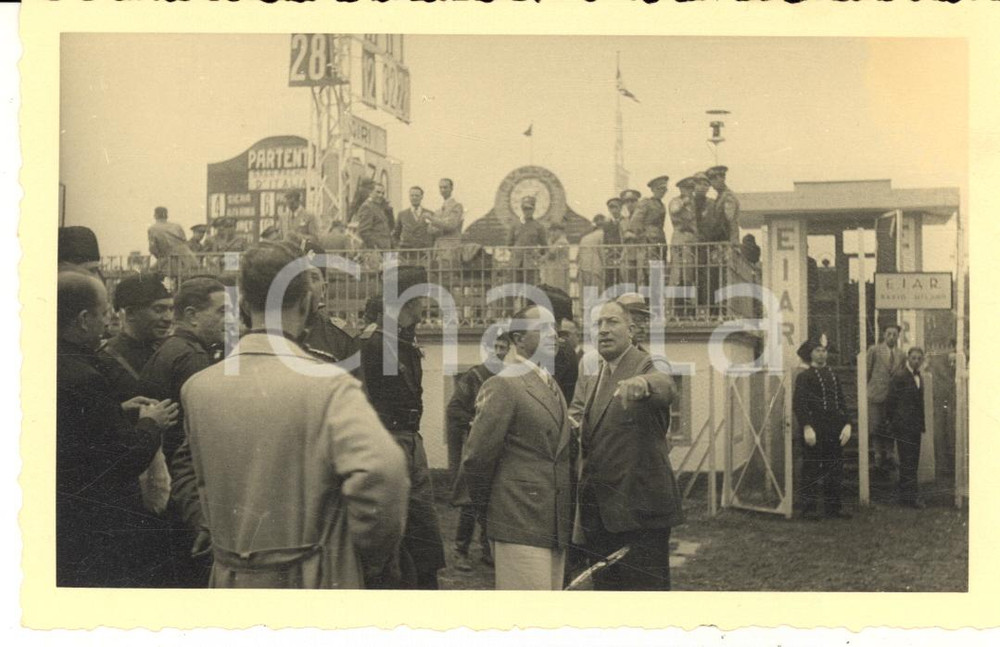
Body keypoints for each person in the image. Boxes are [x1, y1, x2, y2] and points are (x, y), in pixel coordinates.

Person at [181, 243, 409, 588]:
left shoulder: (197, 388)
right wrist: (368, 554)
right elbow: (384, 473)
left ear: (244, 306)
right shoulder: (330, 385)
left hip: (230, 578)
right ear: (306, 302)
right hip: (314, 578)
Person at [57, 270, 179, 586]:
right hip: (101, 516)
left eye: (170, 309)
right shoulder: (94, 368)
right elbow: (120, 457)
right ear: (84, 320)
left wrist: (118, 411)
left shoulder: (61, 359)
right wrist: (152, 423)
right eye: (103, 313)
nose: (108, 320)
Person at [459, 304, 573, 590]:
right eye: (544, 328)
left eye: (555, 328)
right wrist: (494, 513)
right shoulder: (504, 384)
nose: (554, 335)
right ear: (519, 339)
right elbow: (477, 459)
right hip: (518, 521)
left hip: (552, 523)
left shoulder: (549, 383)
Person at [576, 300, 681, 590]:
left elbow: (666, 385)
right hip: (602, 516)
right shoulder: (598, 375)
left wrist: (644, 385)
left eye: (612, 322)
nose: (603, 330)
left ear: (631, 330)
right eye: (598, 324)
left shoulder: (645, 363)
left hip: (639, 516)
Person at [358, 266, 447, 588]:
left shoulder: (403, 340)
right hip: (389, 445)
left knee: (423, 534)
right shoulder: (373, 344)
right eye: (421, 297)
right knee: (392, 537)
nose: (425, 305)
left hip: (410, 443)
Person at [138, 276, 227, 587]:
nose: (228, 320)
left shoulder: (170, 349)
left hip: (167, 484)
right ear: (192, 315)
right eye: (221, 312)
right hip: (187, 492)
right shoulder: (193, 358)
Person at [446, 332, 510, 572]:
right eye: (496, 347)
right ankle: (460, 550)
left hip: (501, 447)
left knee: (494, 499)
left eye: (504, 347)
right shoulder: (474, 376)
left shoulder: (510, 377)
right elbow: (454, 409)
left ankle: (487, 550)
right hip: (476, 445)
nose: (500, 352)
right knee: (470, 499)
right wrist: (473, 422)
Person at [793, 337, 852, 520]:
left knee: (834, 468)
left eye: (824, 351)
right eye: (817, 350)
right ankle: (808, 509)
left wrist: (847, 424)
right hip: (814, 429)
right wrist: (807, 427)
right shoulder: (804, 377)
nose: (821, 354)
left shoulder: (833, 376)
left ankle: (833, 508)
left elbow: (841, 402)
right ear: (810, 354)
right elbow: (800, 405)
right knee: (811, 468)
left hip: (833, 429)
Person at [100, 272, 174, 403]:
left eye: (171, 309)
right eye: (158, 309)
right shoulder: (105, 358)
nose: (169, 318)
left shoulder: (172, 350)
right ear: (130, 313)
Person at [886, 346, 928, 508]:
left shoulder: (919, 377)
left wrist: (921, 424)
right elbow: (890, 402)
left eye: (919, 358)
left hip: (915, 426)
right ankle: (910, 498)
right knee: (907, 461)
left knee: (912, 461)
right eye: (913, 358)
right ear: (908, 359)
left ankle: (907, 496)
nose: (916, 361)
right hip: (903, 426)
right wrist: (894, 422)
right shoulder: (900, 376)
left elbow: (919, 404)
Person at [867, 323, 906, 478]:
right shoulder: (874, 350)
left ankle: (890, 455)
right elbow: (867, 371)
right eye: (889, 334)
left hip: (893, 397)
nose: (891, 337)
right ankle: (878, 457)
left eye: (894, 334)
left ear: (898, 336)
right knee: (876, 426)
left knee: (890, 426)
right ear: (884, 335)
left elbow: (901, 374)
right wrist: (870, 388)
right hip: (876, 394)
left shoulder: (901, 354)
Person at [668, 177, 699, 316]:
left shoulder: (694, 203)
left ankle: (689, 306)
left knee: (690, 275)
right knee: (677, 275)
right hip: (680, 241)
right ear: (681, 189)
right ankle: (674, 308)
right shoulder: (676, 201)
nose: (690, 191)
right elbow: (674, 210)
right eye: (687, 188)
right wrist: (684, 202)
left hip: (692, 242)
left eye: (691, 188)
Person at [509, 195, 547, 285]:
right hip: (516, 264)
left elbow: (544, 246)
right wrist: (517, 252)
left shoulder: (538, 226)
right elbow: (509, 244)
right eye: (525, 209)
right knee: (515, 288)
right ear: (522, 209)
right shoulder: (515, 225)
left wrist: (536, 255)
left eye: (530, 209)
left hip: (531, 264)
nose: (527, 211)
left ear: (534, 209)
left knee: (531, 288)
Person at [148, 206, 196, 276]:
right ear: (167, 215)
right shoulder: (177, 226)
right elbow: (184, 241)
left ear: (155, 215)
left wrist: (160, 257)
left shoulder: (153, 228)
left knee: (151, 273)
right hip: (189, 259)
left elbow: (153, 248)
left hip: (170, 260)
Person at [394, 185, 435, 251]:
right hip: (407, 251)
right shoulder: (402, 214)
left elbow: (434, 234)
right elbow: (396, 234)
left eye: (417, 195)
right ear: (409, 197)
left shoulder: (430, 214)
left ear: (421, 197)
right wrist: (398, 247)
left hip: (424, 251)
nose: (414, 198)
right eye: (412, 195)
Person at [355, 182, 394, 250]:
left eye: (383, 193)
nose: (380, 195)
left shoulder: (379, 207)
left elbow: (391, 227)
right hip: (376, 250)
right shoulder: (367, 207)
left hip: (385, 248)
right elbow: (363, 231)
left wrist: (389, 210)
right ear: (370, 193)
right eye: (378, 192)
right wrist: (374, 246)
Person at [540, 221, 571, 292]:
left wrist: (542, 259)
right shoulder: (552, 240)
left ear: (561, 231)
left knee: (560, 289)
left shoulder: (562, 241)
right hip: (552, 269)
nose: (552, 233)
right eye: (551, 231)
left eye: (555, 231)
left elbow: (551, 253)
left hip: (560, 269)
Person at [578, 214, 606, 289]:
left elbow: (578, 255)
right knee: (596, 290)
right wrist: (605, 265)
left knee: (588, 291)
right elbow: (601, 251)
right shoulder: (602, 234)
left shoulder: (585, 237)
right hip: (595, 266)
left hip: (584, 266)